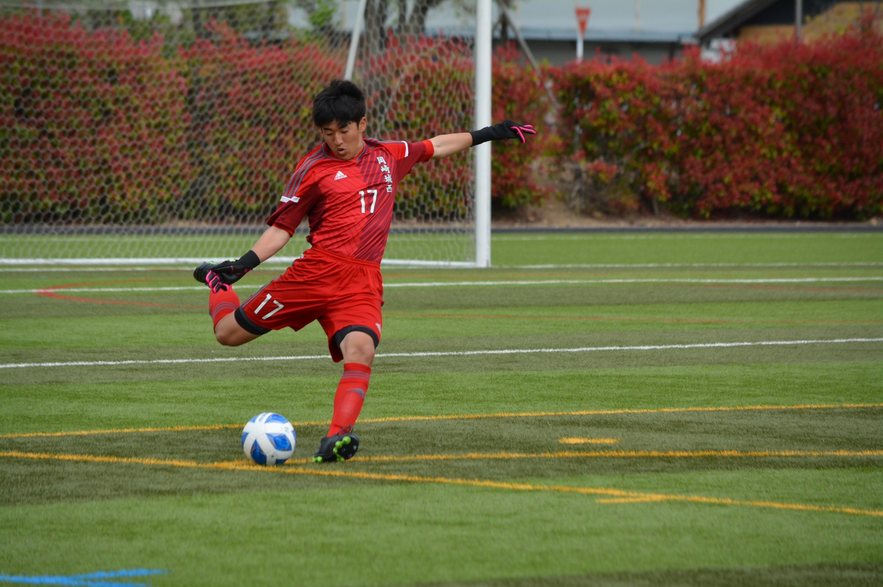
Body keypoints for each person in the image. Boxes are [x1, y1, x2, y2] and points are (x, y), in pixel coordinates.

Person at [193, 79, 536, 463]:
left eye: (344, 130)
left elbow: (436, 145)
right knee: (228, 334)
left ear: (362, 124)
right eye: (327, 133)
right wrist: (243, 264)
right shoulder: (312, 169)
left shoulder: (388, 155)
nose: (336, 140)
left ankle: (335, 438)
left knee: (361, 350)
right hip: (315, 275)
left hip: (362, 281)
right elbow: (282, 228)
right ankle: (216, 283)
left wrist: (491, 132)